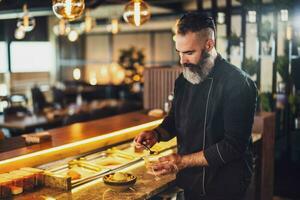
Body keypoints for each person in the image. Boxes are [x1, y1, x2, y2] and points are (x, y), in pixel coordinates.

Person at [134, 11, 258, 200]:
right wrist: (157, 134)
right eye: (179, 53)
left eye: (189, 53)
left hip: (225, 186)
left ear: (209, 44)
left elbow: (233, 146)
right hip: (190, 183)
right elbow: (174, 120)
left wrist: (182, 161)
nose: (182, 61)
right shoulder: (182, 81)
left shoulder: (238, 83)